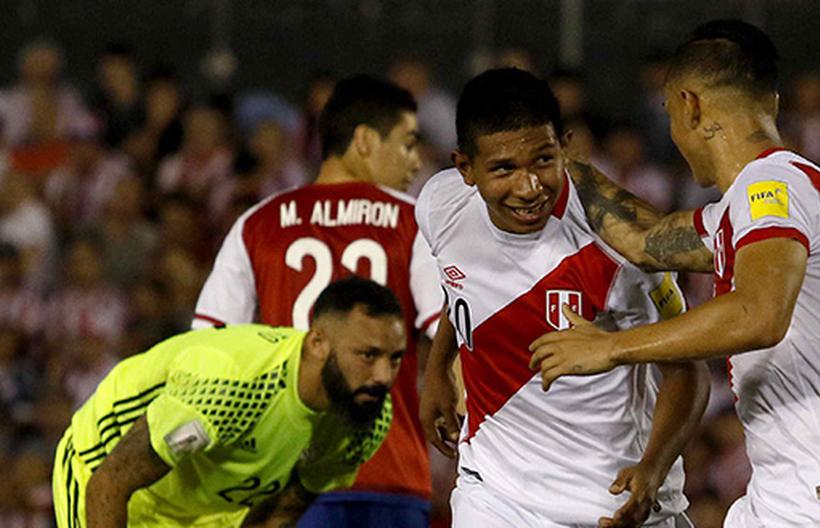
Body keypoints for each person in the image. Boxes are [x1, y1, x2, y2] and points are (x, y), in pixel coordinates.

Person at [527, 20, 820, 527]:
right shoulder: (743, 209)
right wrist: (563, 166)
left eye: (669, 111)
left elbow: (760, 314)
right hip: (786, 503)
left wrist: (608, 348)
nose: (673, 132)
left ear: (691, 106)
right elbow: (645, 240)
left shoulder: (774, 186)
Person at [417, 68, 709, 528]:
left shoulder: (621, 243)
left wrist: (652, 468)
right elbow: (461, 288)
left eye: (542, 161)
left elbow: (688, 372)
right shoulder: (440, 206)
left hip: (610, 503)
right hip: (493, 496)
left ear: (566, 148)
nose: (529, 186)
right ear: (464, 168)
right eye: (503, 169)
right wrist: (438, 367)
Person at [193, 75, 442, 527]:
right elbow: (447, 329)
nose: (415, 162)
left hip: (287, 478)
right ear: (365, 140)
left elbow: (206, 349)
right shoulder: (413, 222)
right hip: (393, 472)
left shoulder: (258, 224)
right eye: (407, 144)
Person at [52, 276, 405, 527]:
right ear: (316, 344)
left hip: (206, 511)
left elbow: (282, 511)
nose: (383, 376)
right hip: (102, 471)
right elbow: (111, 481)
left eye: (394, 359)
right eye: (367, 355)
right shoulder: (233, 387)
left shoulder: (366, 418)